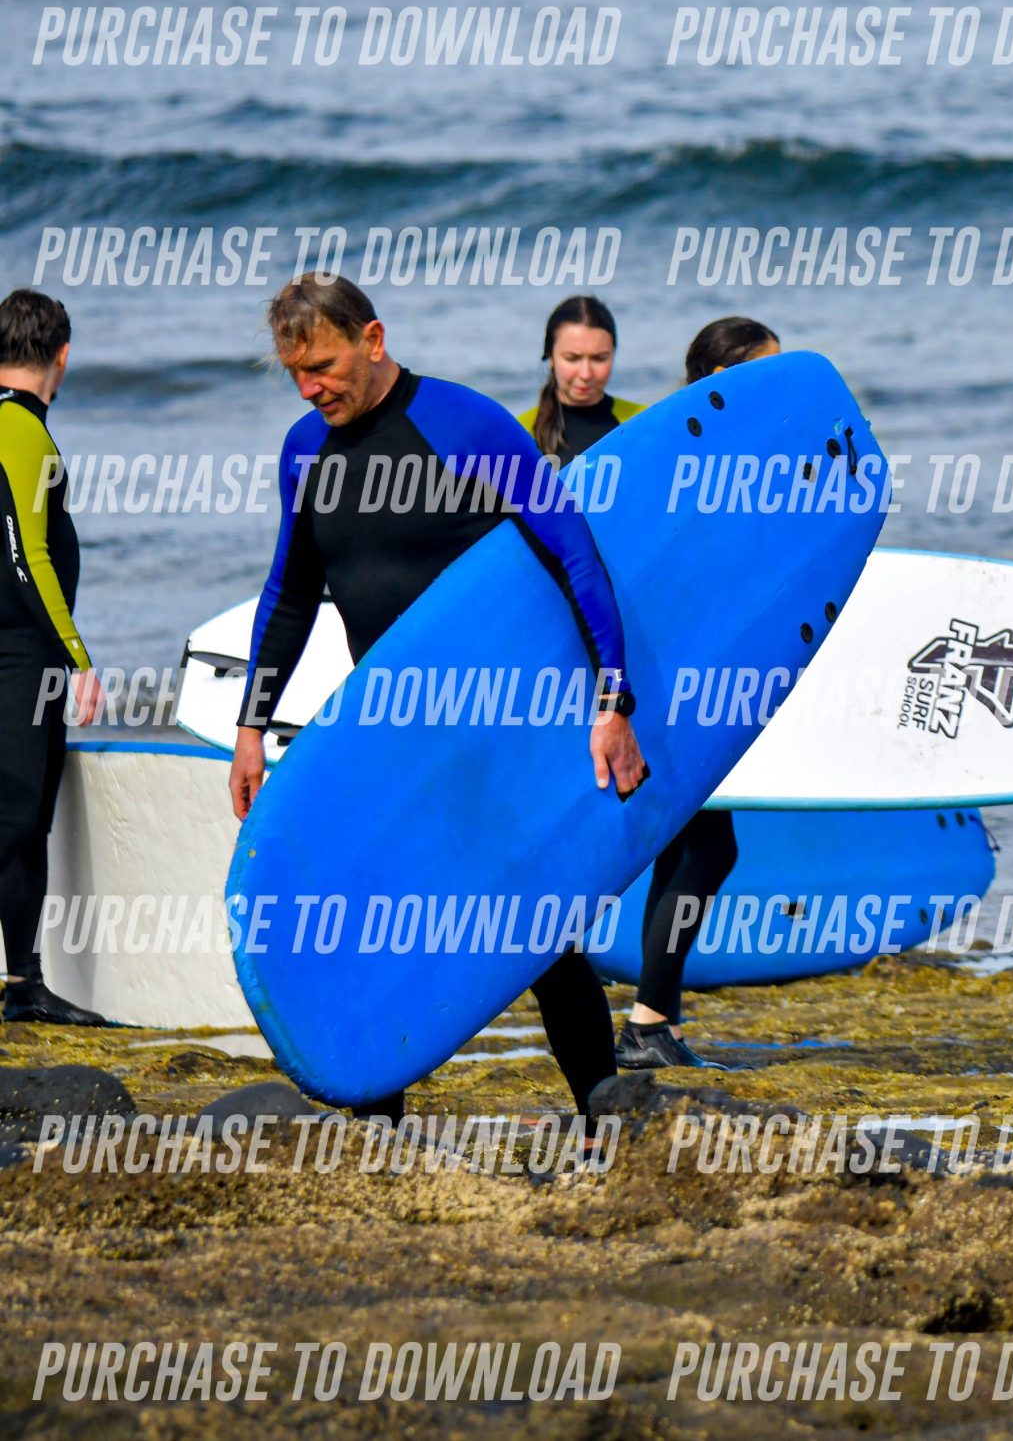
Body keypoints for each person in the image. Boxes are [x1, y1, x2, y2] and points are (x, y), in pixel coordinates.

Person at [229, 273, 650, 1122]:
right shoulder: (304, 451)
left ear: (373, 339)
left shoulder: (462, 424)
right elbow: (290, 593)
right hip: (389, 740)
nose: (310, 389)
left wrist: (615, 701)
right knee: (378, 926)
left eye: (323, 366)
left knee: (539, 932)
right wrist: (251, 725)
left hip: (491, 735)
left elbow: (573, 551)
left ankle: (602, 1118)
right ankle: (380, 1132)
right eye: (296, 373)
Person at [610, 314, 781, 1070]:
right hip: (678, 678)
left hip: (689, 674)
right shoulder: (696, 451)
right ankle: (648, 1021)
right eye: (763, 368)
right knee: (709, 848)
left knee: (688, 846)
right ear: (719, 378)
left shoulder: (706, 444)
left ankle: (658, 1022)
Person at [0, 290, 107, 1025]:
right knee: (17, 816)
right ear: (61, 355)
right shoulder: (21, 428)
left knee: (26, 815)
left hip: (18, 651)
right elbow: (26, 556)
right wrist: (78, 657)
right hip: (19, 652)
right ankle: (23, 983)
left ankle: (23, 982)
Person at [520, 295, 640, 465]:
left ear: (613, 355)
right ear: (551, 357)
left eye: (599, 358)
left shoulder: (644, 421)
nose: (586, 374)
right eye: (572, 358)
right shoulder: (520, 433)